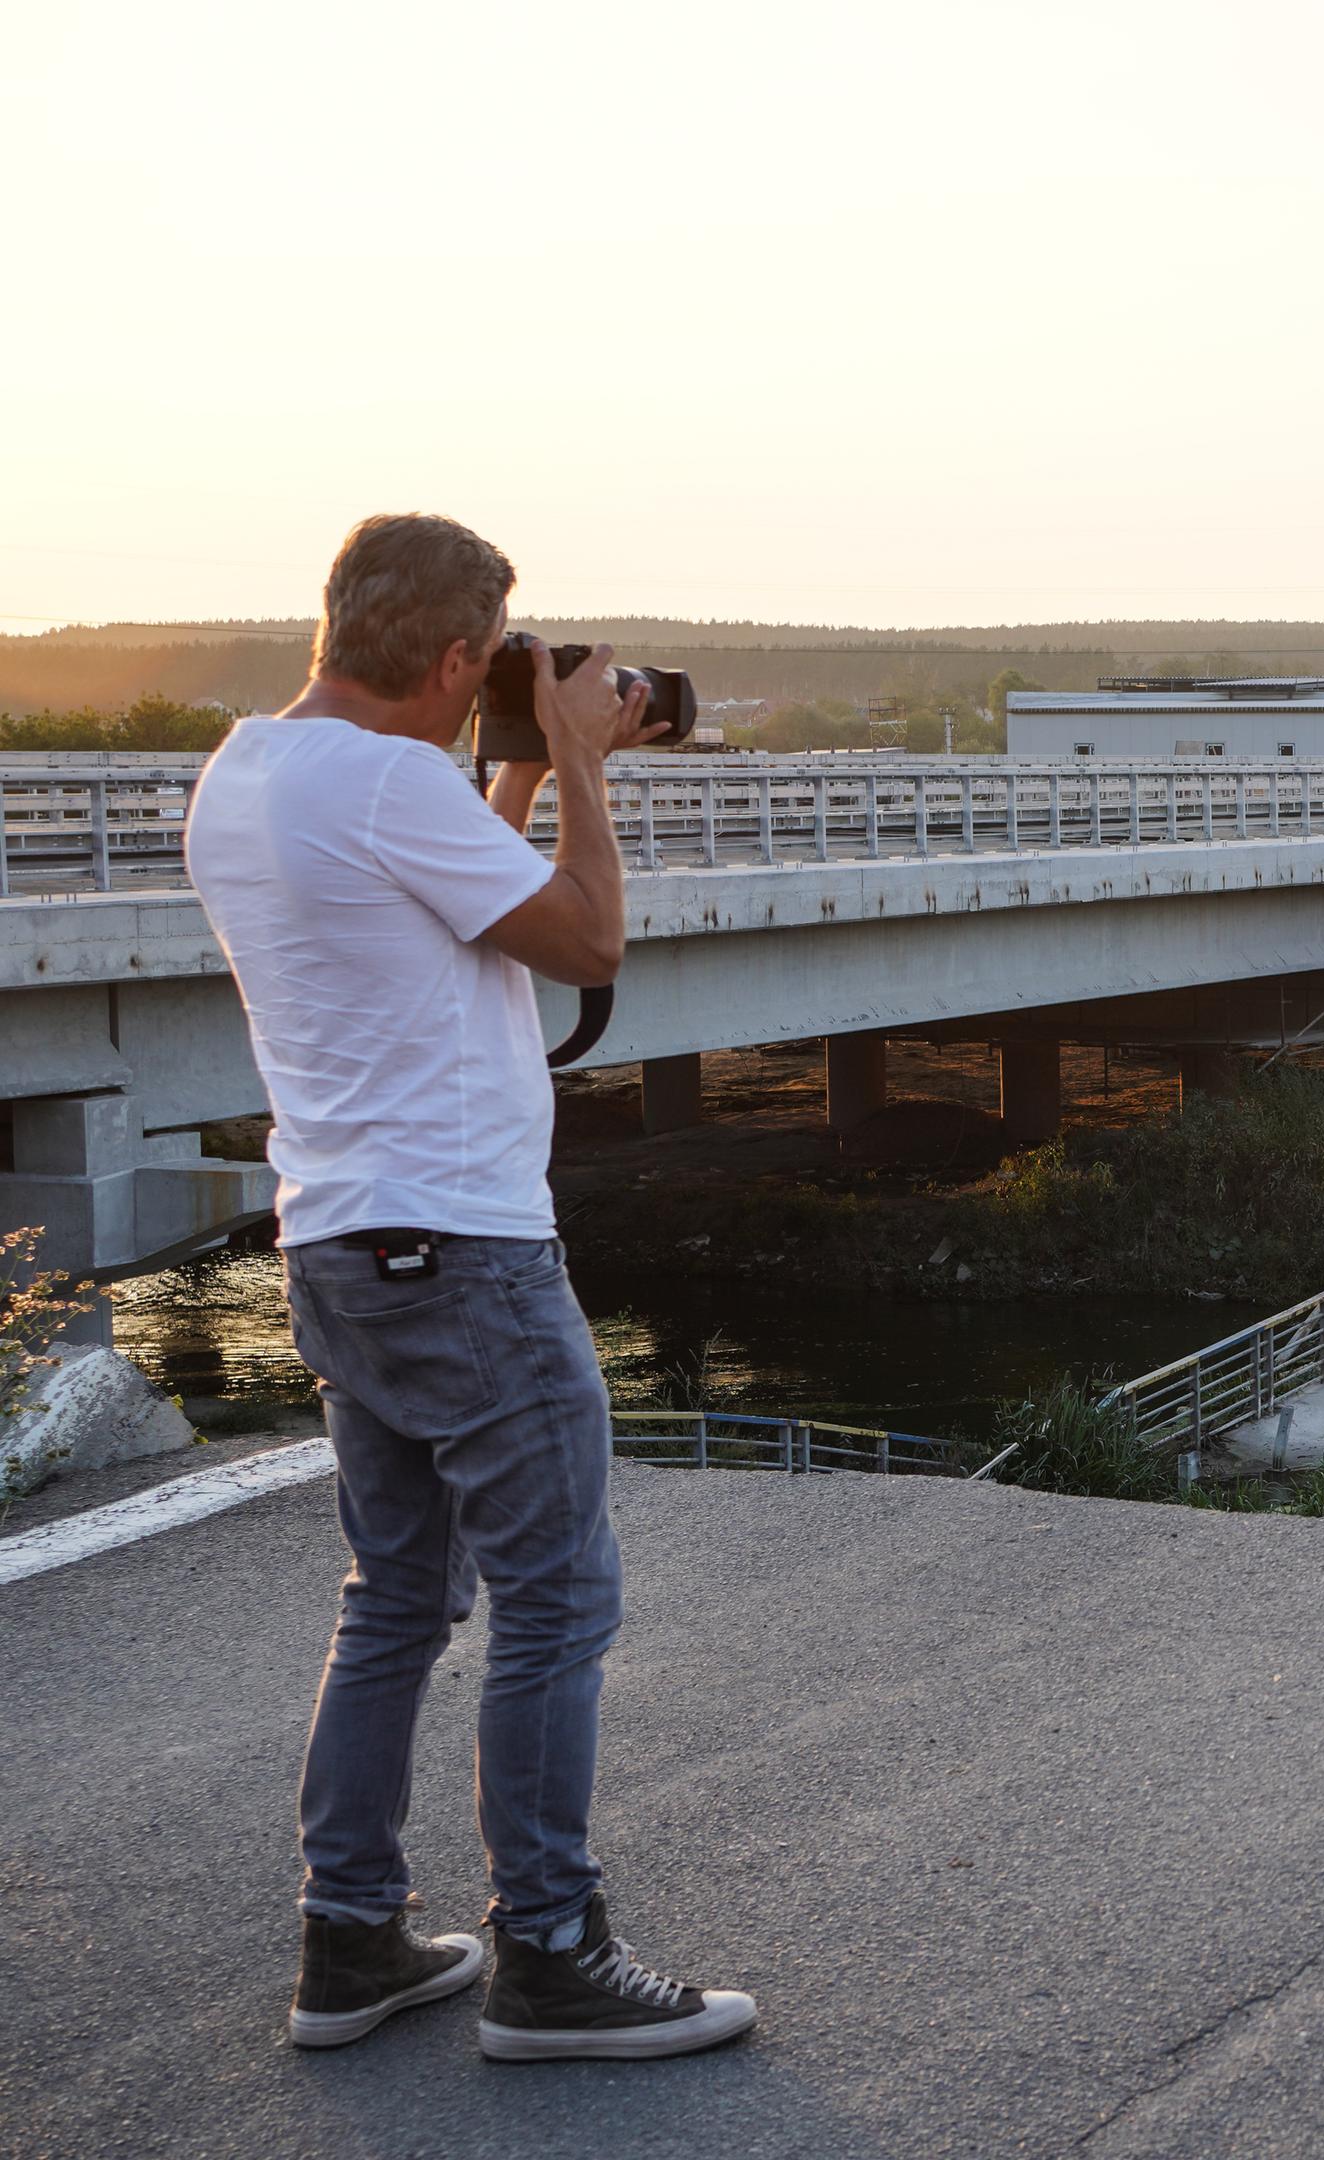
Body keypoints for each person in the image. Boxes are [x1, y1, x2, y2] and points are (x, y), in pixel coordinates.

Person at [190, 513, 756, 2061]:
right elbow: (585, 940)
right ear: (452, 658)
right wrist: (577, 761)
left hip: (342, 1249)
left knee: (394, 1602)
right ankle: (552, 1955)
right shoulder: (386, 788)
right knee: (556, 1599)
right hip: (464, 1259)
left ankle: (350, 1938)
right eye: (491, 664)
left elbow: (445, 906)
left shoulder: (248, 772)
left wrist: (510, 772)